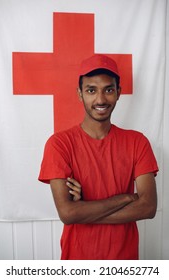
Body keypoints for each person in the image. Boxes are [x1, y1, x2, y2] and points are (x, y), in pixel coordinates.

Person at [38, 54, 158, 260]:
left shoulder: (138, 142)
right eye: (91, 90)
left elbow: (148, 207)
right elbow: (67, 214)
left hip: (125, 262)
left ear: (119, 93)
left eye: (108, 90)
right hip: (77, 260)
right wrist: (126, 198)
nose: (100, 99)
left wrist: (84, 210)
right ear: (80, 94)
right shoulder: (59, 144)